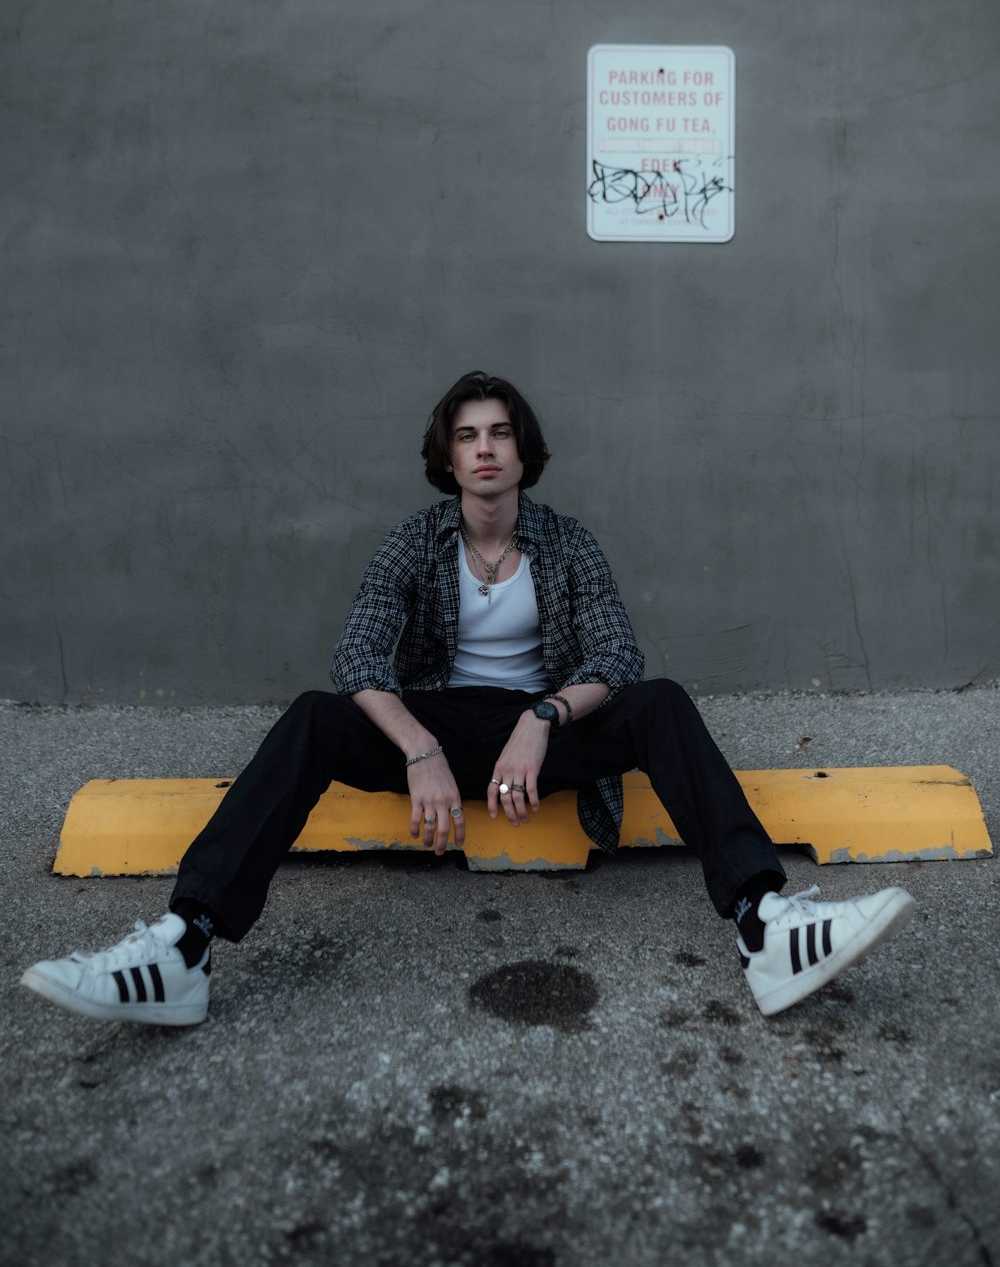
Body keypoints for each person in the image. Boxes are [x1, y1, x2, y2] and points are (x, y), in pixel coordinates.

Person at [21, 370, 915, 1027]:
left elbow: (615, 653)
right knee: (312, 718)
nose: (485, 449)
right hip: (438, 728)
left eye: (499, 434)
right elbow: (358, 652)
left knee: (662, 701)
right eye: (467, 436)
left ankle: (765, 925)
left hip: (543, 729)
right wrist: (418, 747)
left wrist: (543, 717)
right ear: (447, 459)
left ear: (523, 452)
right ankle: (186, 943)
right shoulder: (415, 543)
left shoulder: (568, 544)